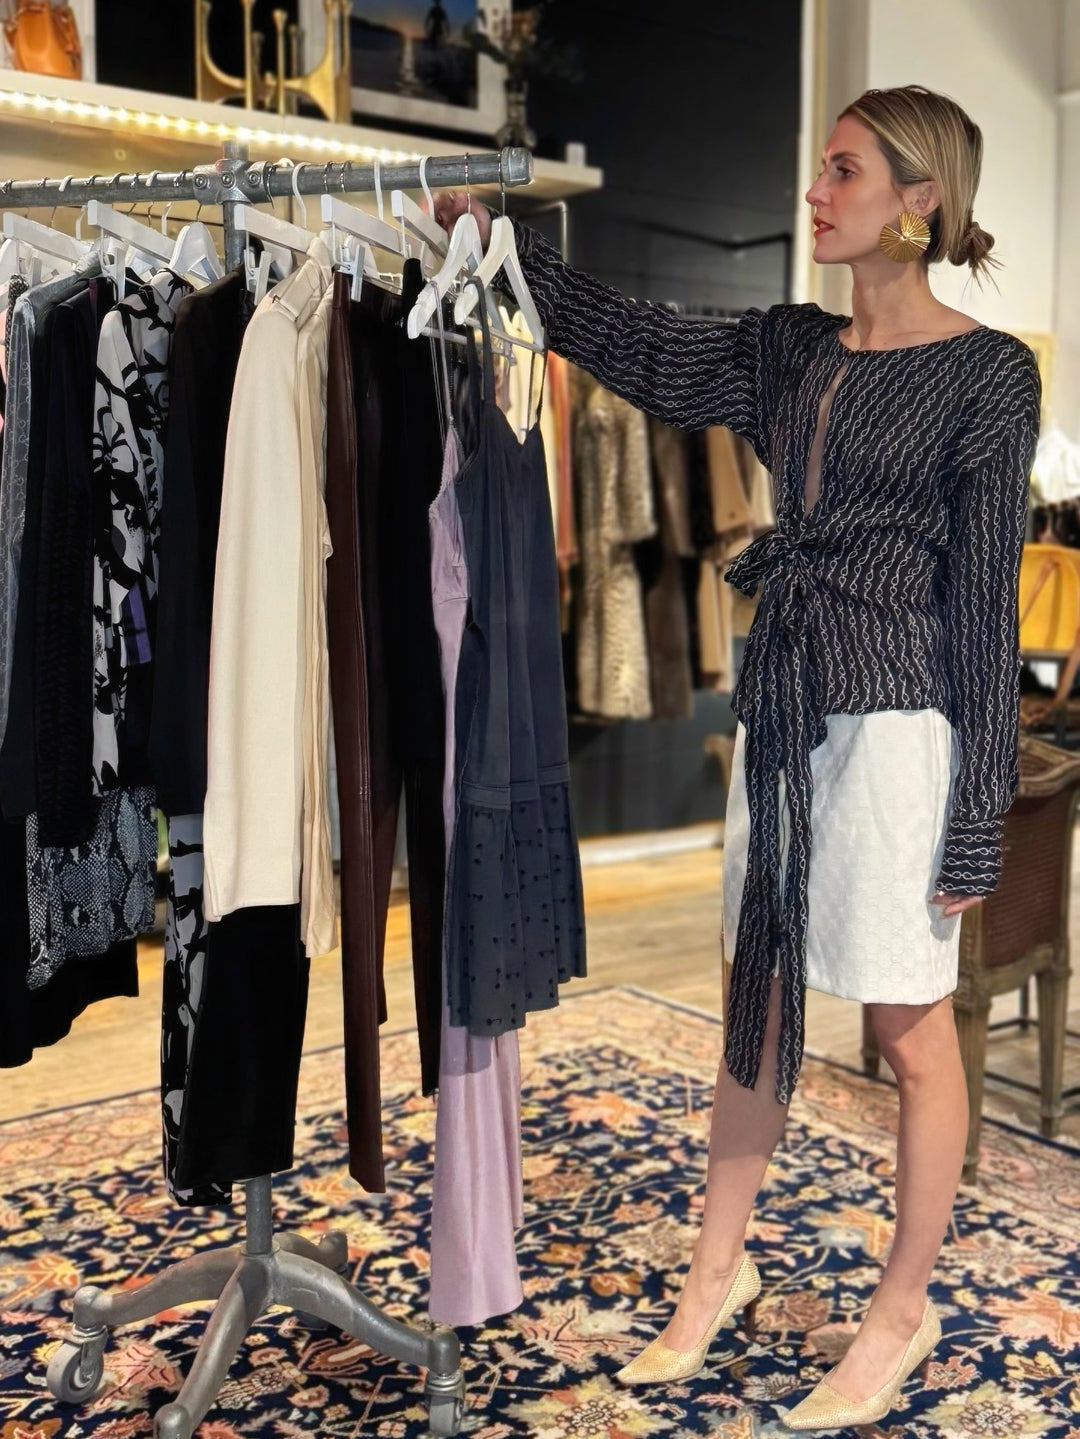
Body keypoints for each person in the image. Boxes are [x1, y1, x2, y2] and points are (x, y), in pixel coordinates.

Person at [434, 84, 1041, 1432]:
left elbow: (986, 604)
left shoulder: (990, 374)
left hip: (899, 729)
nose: (816, 194)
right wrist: (510, 243)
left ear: (918, 201)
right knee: (754, 1005)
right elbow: (639, 344)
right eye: (818, 168)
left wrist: (980, 812)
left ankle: (901, 1307)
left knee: (905, 1030)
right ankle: (717, 1273)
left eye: (844, 171)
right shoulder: (786, 347)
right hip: (782, 712)